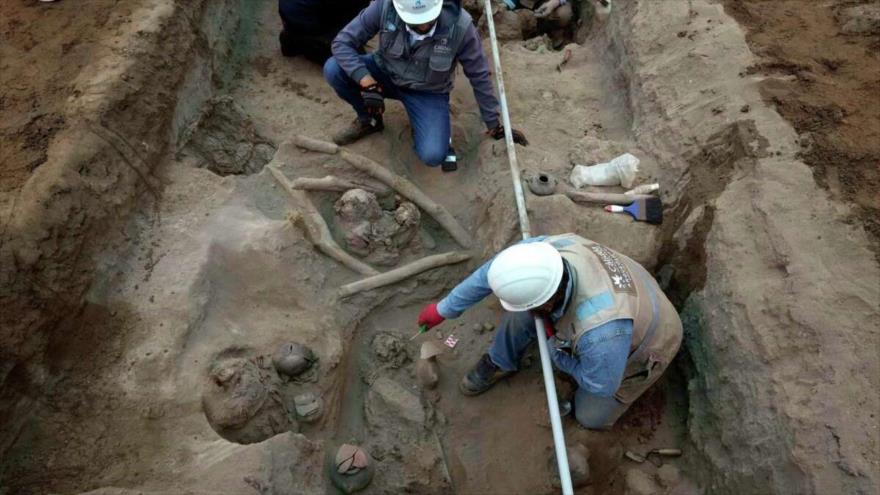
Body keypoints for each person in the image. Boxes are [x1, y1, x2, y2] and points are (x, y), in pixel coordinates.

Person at [416, 233, 682, 430]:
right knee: (522, 312)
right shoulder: (543, 255)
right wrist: (444, 309)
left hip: (654, 336)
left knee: (590, 416)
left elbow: (600, 385)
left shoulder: (601, 335)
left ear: (547, 302)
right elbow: (491, 273)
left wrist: (558, 352)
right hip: (629, 285)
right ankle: (500, 361)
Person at [324, 0, 528, 172]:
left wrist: (494, 123)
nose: (422, 27)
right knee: (334, 69)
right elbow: (342, 43)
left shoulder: (461, 26)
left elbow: (479, 75)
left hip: (428, 92)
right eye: (415, 21)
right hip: (384, 73)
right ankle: (369, 119)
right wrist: (366, 81)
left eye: (427, 20)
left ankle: (425, 124)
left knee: (433, 155)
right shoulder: (384, 7)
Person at [278, 0, 370, 64]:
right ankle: (303, 42)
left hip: (290, 11)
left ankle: (293, 35)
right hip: (304, 15)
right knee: (359, 63)